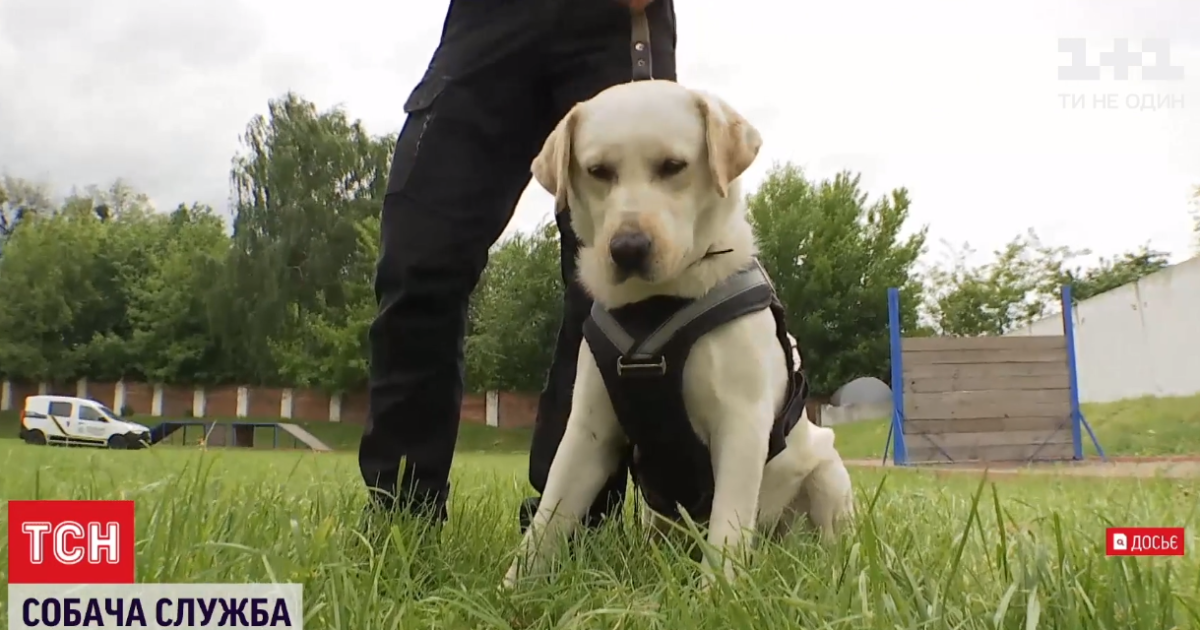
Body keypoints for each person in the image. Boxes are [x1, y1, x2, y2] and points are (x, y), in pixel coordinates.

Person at [359, 0, 678, 527]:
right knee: (420, 259)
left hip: (611, 21)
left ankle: (572, 526)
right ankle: (400, 515)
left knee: (616, 282)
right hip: (488, 19)